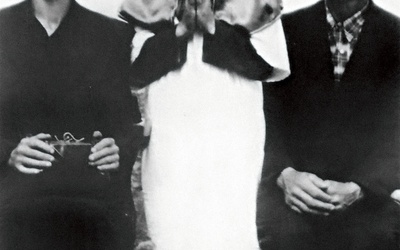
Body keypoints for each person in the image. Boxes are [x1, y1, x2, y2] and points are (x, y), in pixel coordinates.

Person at [119, 0, 289, 249]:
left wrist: (212, 28)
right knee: (171, 221)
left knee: (230, 223)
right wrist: (181, 30)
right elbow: (137, 71)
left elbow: (265, 67)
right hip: (172, 129)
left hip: (232, 125)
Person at [257, 0, 400, 249]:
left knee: (376, 237)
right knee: (280, 235)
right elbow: (263, 114)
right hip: (289, 194)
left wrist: (360, 187)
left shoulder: (396, 36)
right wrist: (284, 175)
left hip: (366, 200)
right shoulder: (285, 30)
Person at [0, 0, 142, 249]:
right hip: (16, 209)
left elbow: (125, 124)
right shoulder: (3, 28)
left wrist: (116, 148)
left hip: (90, 211)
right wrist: (8, 152)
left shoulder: (111, 34)